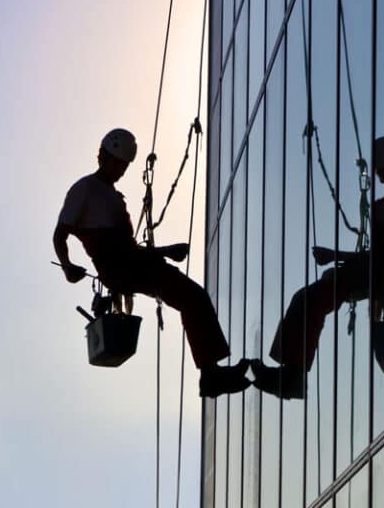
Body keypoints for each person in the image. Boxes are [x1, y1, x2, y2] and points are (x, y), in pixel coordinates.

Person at [251, 135, 384, 399]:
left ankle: (292, 376)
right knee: (306, 297)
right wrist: (334, 255)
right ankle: (291, 372)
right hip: (373, 269)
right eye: (381, 173)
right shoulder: (381, 207)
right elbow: (374, 255)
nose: (381, 180)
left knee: (313, 298)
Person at [53, 128, 250, 397]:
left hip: (129, 263)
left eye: (124, 166)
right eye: (118, 164)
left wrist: (164, 252)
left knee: (193, 297)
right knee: (192, 297)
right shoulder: (85, 189)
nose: (121, 171)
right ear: (103, 157)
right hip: (121, 266)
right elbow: (60, 235)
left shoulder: (111, 195)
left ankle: (211, 372)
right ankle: (211, 374)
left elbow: (127, 249)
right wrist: (66, 267)